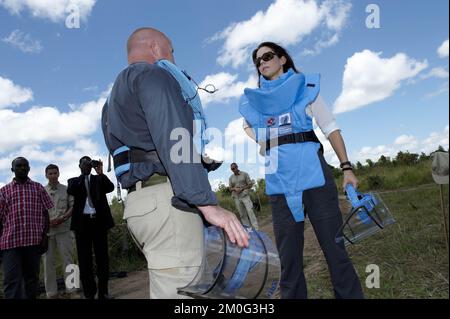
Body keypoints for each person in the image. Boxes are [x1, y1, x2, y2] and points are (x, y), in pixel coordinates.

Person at [101, 27, 249, 299]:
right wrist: (206, 203)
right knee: (183, 293)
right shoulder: (151, 74)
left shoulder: (111, 102)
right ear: (156, 49)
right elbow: (174, 138)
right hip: (169, 202)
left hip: (140, 206)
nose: (174, 58)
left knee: (183, 287)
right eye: (171, 50)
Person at [239, 42, 364, 299]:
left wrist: (347, 167)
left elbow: (330, 128)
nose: (262, 62)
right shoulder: (255, 101)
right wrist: (267, 143)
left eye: (268, 56)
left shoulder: (306, 87)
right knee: (289, 258)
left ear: (283, 59)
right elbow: (246, 125)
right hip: (280, 181)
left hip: (314, 175)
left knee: (335, 247)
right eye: (257, 60)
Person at [0, 157, 53, 299]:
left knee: (32, 279)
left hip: (33, 241)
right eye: (18, 166)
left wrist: (45, 236)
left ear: (29, 168)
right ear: (12, 169)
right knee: (12, 281)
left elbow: (45, 213)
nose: (22, 168)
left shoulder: (38, 188)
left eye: (25, 165)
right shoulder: (4, 191)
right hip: (10, 243)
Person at [67, 156, 115, 299]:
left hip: (99, 223)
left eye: (89, 163)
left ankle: (103, 292)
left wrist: (100, 173)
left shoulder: (99, 179)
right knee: (84, 259)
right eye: (84, 163)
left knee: (102, 259)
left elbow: (110, 188)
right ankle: (89, 293)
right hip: (83, 225)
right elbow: (72, 190)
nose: (87, 165)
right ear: (79, 165)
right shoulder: (75, 181)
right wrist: (85, 175)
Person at [43, 164, 76, 299]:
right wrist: (47, 222)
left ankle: (72, 290)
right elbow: (39, 211)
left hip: (64, 229)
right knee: (47, 263)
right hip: (48, 231)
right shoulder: (41, 191)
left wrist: (63, 218)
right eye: (50, 173)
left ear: (59, 174)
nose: (53, 176)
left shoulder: (67, 190)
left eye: (55, 173)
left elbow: (73, 206)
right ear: (46, 175)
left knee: (69, 259)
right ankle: (51, 293)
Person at [228, 163, 259, 230]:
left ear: (237, 167)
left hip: (245, 196)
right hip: (236, 197)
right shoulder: (231, 178)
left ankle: (256, 229)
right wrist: (234, 189)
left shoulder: (244, 174)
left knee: (250, 211)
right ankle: (249, 230)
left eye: (234, 168)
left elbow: (250, 184)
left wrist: (242, 188)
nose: (233, 170)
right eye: (232, 169)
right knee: (242, 215)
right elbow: (230, 188)